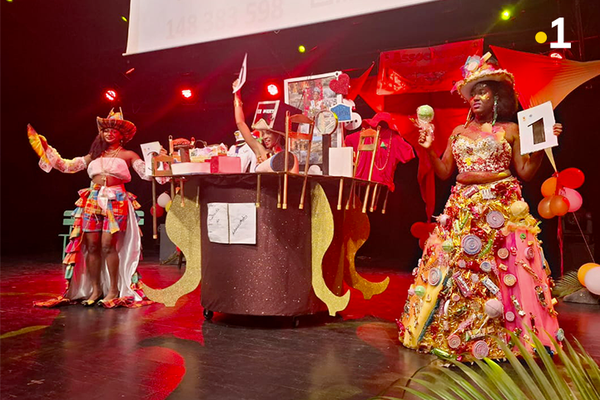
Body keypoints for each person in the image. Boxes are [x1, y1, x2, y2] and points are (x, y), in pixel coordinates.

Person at [399, 54, 563, 360]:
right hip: (462, 205)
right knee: (458, 271)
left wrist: (542, 147)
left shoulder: (512, 130)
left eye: (483, 92)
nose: (475, 98)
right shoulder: (458, 133)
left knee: (504, 269)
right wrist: (428, 149)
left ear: (497, 97)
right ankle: (451, 332)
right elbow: (444, 171)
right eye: (472, 93)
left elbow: (525, 173)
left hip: (501, 203)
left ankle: (504, 336)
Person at [29, 109, 159, 308]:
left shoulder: (128, 154)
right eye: (106, 130)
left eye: (114, 131)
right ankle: (96, 289)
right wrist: (47, 149)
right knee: (91, 246)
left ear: (122, 135)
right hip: (93, 198)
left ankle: (114, 289)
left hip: (116, 199)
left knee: (108, 245)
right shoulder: (94, 155)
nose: (109, 133)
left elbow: (147, 173)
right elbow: (68, 166)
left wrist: (160, 161)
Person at [232, 79, 300, 172]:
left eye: (268, 133)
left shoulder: (290, 158)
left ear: (278, 134)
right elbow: (240, 123)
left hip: (282, 183)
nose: (265, 137)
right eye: (263, 134)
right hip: (259, 185)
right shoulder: (261, 151)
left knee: (291, 159)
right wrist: (237, 94)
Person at [344, 112, 415, 191]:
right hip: (382, 185)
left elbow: (347, 141)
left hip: (361, 183)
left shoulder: (362, 134)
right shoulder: (395, 138)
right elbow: (408, 152)